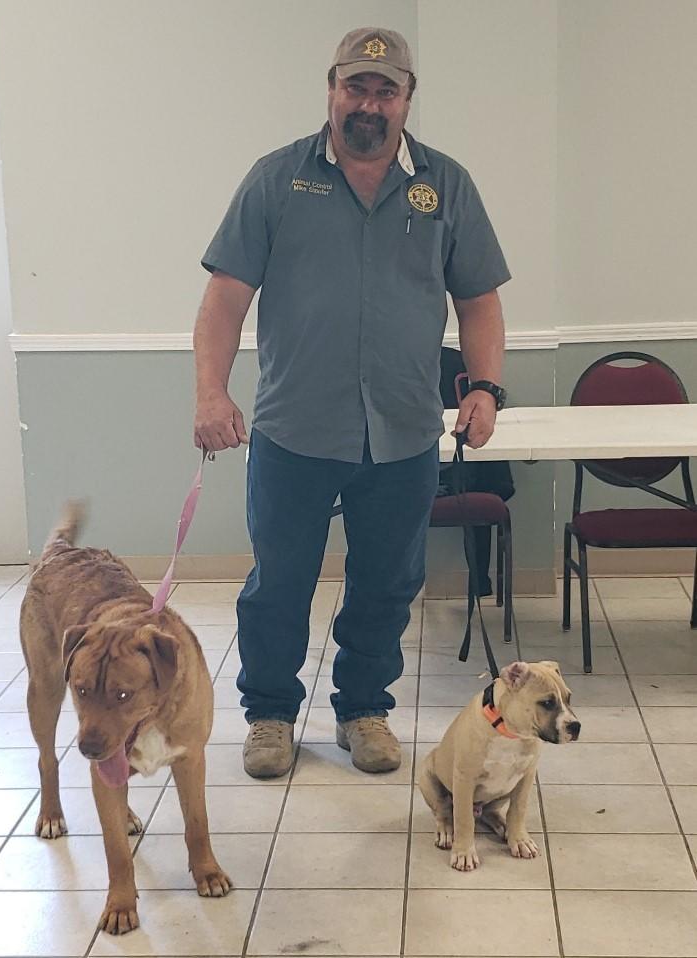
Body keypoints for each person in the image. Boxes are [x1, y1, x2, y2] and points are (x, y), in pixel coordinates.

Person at [193, 26, 510, 779]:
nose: (368, 103)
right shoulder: (276, 180)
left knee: (388, 581)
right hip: (293, 427)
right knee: (280, 580)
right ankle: (270, 713)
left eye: (385, 90)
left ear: (406, 99)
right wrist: (211, 391)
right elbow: (224, 298)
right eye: (355, 87)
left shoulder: (446, 186)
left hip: (401, 431)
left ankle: (364, 708)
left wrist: (486, 389)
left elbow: (480, 301)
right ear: (332, 90)